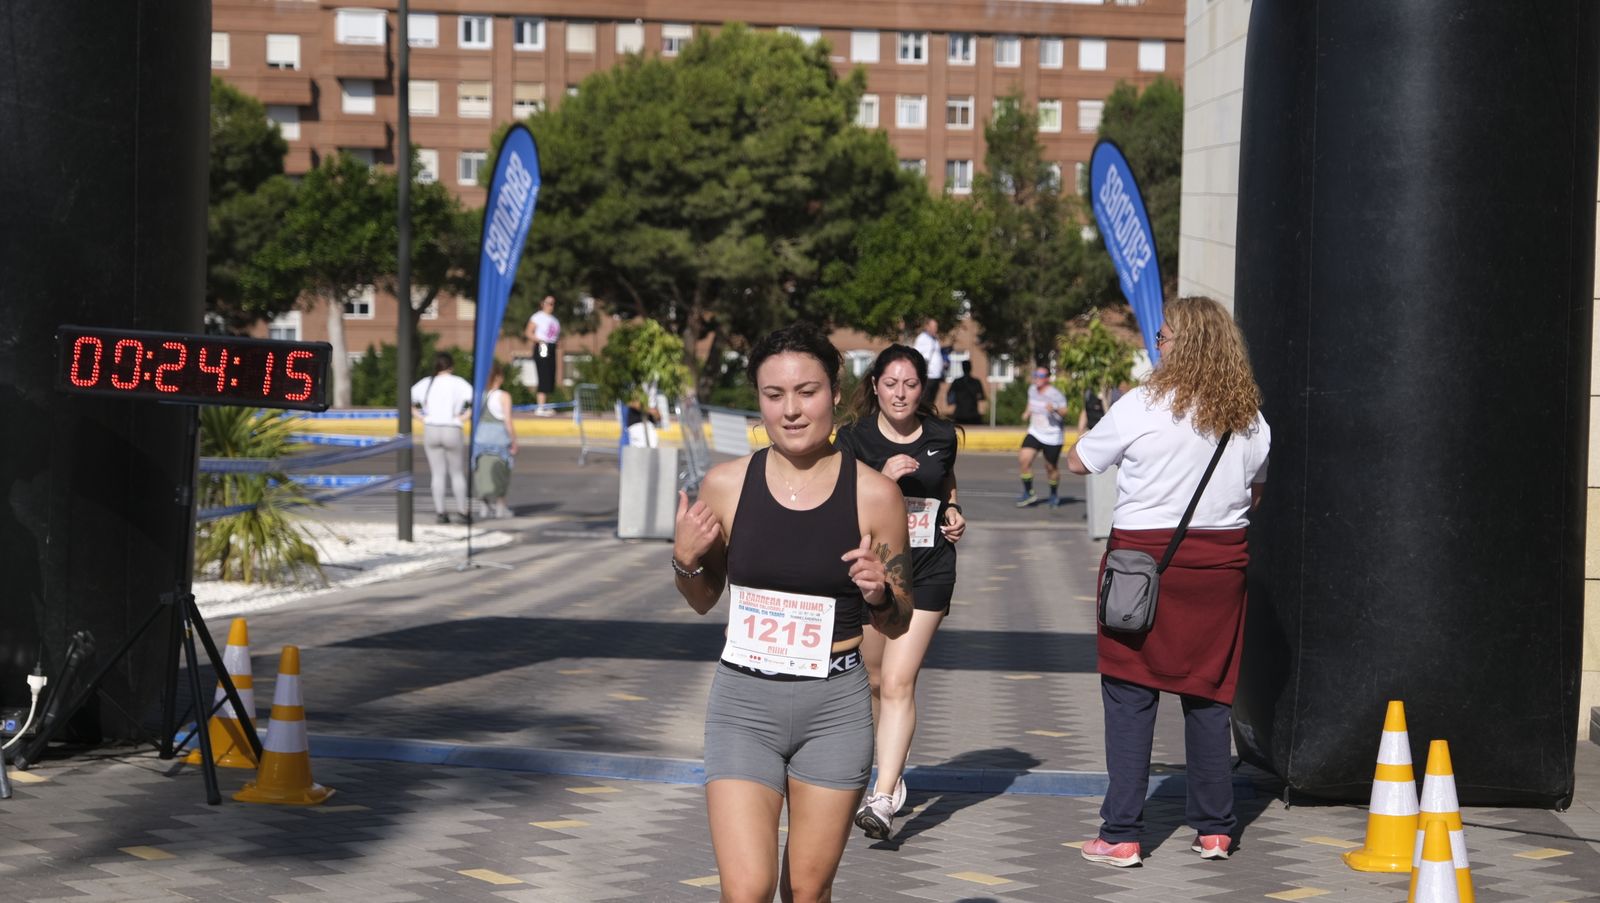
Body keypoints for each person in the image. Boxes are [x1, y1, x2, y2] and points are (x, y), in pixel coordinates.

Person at [672, 322, 914, 903]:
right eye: (773, 395)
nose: (792, 410)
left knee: (806, 890)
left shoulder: (876, 493)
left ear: (834, 392)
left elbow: (898, 620)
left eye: (807, 391)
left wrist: (880, 591)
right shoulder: (727, 485)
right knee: (747, 889)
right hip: (743, 704)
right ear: (758, 400)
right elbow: (705, 598)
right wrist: (685, 561)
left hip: (834, 708)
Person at [1066, 296, 1271, 867]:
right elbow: (1255, 493)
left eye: (1162, 337)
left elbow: (1081, 463)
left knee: (1130, 693)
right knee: (1208, 696)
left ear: (1182, 344)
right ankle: (1215, 830)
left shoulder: (1140, 406)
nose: (1156, 346)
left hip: (1141, 569)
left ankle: (1122, 834)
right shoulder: (1249, 418)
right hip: (1219, 572)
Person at [833, 345, 965, 842]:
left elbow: (945, 487)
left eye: (910, 384)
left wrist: (954, 513)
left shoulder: (942, 435)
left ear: (922, 388)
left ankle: (883, 797)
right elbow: (839, 504)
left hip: (929, 570)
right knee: (870, 679)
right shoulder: (853, 439)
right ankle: (896, 762)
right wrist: (881, 482)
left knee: (896, 681)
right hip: (875, 572)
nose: (901, 394)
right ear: (874, 386)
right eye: (891, 384)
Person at [410, 352, 474, 524]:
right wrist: (465, 416)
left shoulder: (426, 382)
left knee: (437, 474)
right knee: (457, 473)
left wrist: (421, 417)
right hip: (452, 427)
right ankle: (462, 511)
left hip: (431, 428)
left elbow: (407, 400)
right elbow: (476, 401)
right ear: (451, 366)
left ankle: (441, 512)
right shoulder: (458, 383)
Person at [1017, 367, 1069, 508]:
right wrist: (1026, 412)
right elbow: (1031, 403)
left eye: (1040, 375)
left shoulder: (1055, 394)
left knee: (1050, 467)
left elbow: (1065, 411)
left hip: (1052, 435)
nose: (1037, 378)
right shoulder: (1032, 389)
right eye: (1035, 375)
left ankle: (1053, 494)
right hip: (1035, 432)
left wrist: (1055, 409)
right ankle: (1029, 493)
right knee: (1024, 459)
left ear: (1047, 378)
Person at [473, 367, 518, 519]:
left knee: (482, 472)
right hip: (499, 437)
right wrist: (514, 440)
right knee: (501, 472)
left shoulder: (480, 396)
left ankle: (484, 506)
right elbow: (507, 420)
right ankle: (501, 506)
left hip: (481, 437)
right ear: (499, 378)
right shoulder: (504, 396)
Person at [523, 295, 561, 416]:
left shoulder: (555, 320)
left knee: (550, 374)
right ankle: (540, 407)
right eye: (548, 303)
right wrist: (540, 341)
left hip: (552, 346)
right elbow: (528, 332)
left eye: (553, 303)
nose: (551, 306)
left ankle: (546, 405)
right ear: (542, 303)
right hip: (542, 345)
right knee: (543, 373)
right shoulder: (537, 317)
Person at [911, 318, 945, 407]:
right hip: (928, 375)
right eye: (933, 326)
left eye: (936, 327)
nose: (936, 329)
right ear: (927, 327)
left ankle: (928, 418)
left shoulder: (934, 340)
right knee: (924, 400)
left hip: (936, 375)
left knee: (931, 401)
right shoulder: (922, 338)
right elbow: (916, 355)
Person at [945, 359, 987, 425]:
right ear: (970, 368)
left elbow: (949, 395)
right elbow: (982, 397)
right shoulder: (976, 382)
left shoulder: (957, 382)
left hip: (960, 414)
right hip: (972, 414)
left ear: (962, 368)